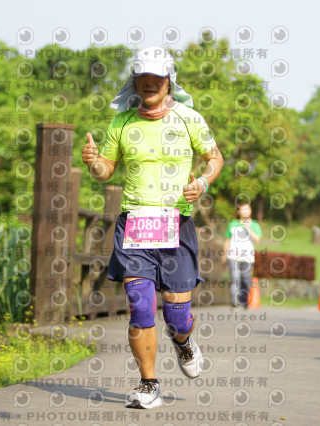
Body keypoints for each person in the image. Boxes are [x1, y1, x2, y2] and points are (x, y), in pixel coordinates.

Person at [81, 46, 223, 409]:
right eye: (142, 77)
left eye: (156, 78)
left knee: (177, 315)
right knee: (140, 305)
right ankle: (148, 384)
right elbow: (105, 172)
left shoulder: (190, 119)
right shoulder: (122, 123)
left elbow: (214, 158)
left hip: (175, 224)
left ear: (168, 80)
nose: (148, 83)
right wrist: (94, 162)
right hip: (135, 225)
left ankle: (184, 341)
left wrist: (202, 184)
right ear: (134, 80)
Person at [222, 202, 262, 310]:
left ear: (251, 211)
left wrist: (248, 228)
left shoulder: (254, 224)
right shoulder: (232, 224)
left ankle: (244, 300)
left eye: (247, 209)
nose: (245, 211)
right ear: (238, 211)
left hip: (247, 257)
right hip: (233, 255)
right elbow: (227, 240)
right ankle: (234, 302)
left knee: (246, 279)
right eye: (243, 209)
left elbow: (257, 239)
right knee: (235, 278)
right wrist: (224, 255)